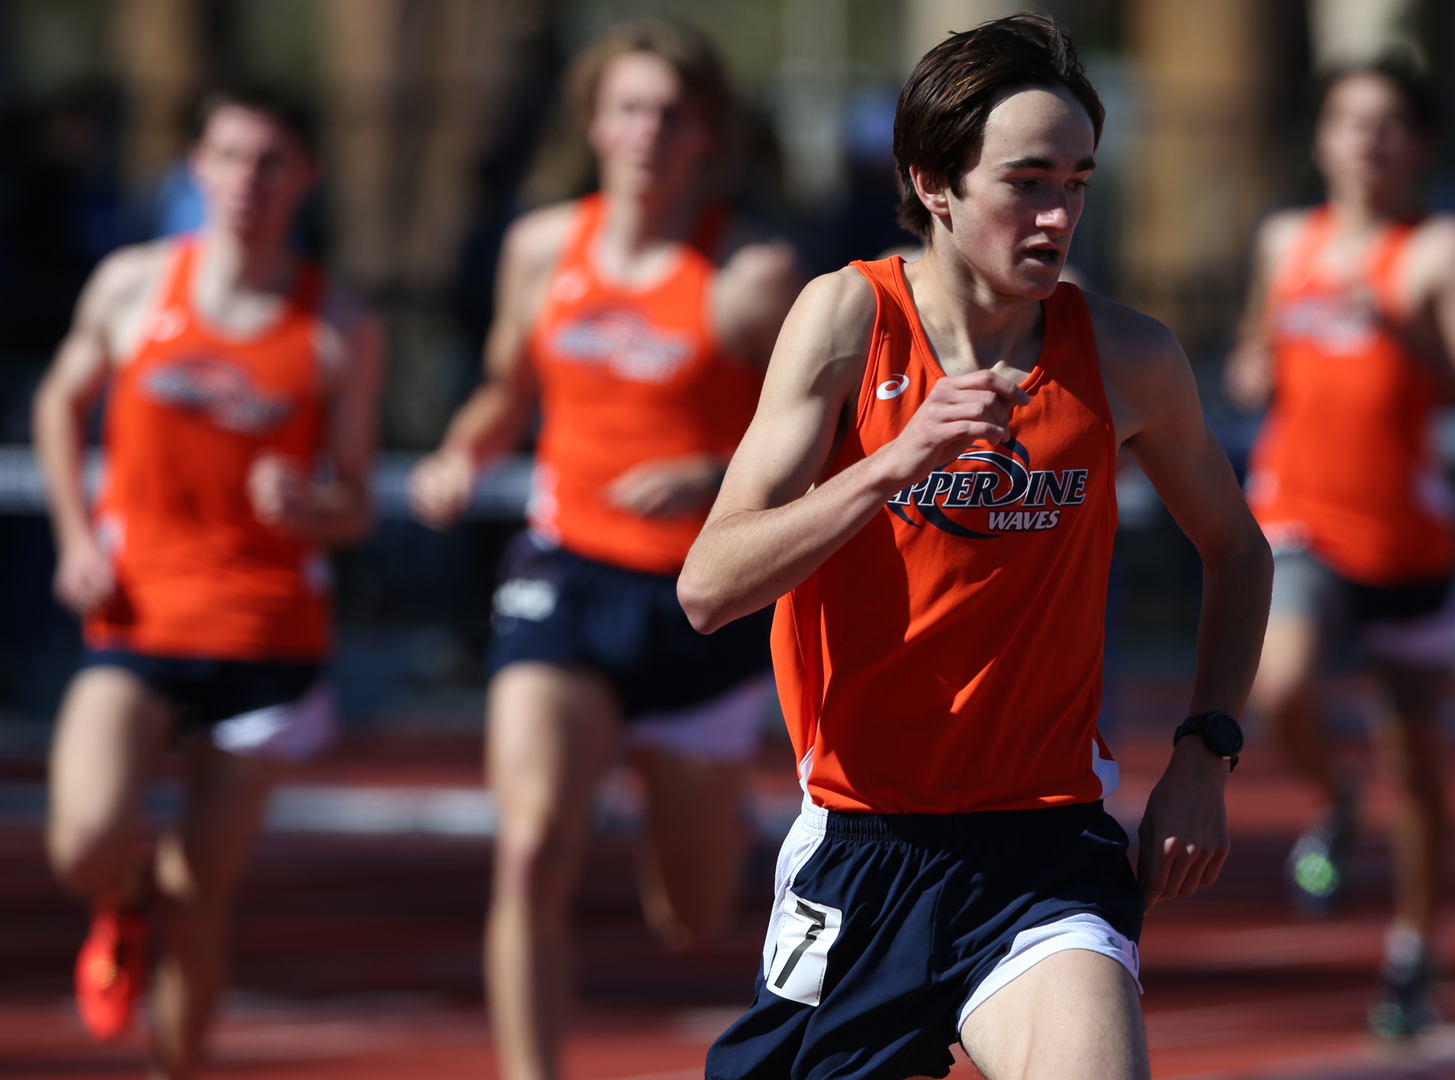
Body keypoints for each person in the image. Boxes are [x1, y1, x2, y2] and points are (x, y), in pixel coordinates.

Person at [679, 14, 1272, 1080]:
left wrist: (1205, 751)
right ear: (935, 183)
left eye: (1080, 183)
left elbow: (1237, 551)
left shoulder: (1129, 358)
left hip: (1047, 849)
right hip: (866, 849)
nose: (1058, 216)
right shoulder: (845, 322)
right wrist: (890, 465)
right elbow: (709, 587)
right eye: (1027, 182)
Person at [406, 21, 800, 1080]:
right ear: (592, 123)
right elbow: (505, 383)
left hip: (698, 602)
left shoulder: (749, 273)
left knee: (691, 915)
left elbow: (819, 439)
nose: (646, 134)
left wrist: (715, 474)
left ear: (706, 134)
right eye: (627, 109)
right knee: (530, 846)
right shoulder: (543, 247)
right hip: (563, 575)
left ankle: (698, 793)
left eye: (671, 114)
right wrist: (461, 450)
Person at [33, 86, 383, 1076]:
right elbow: (61, 405)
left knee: (203, 896)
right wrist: (73, 535)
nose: (247, 181)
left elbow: (355, 502)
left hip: (265, 633)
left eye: (271, 161)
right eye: (229, 157)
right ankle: (121, 898)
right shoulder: (131, 287)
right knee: (86, 839)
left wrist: (311, 504)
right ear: (196, 166)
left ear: (303, 178)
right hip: (136, 613)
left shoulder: (336, 326)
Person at [1225, 57, 1455, 1039]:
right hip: (1300, 516)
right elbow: (1252, 354)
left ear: (1419, 146)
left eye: (1389, 124)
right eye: (1351, 121)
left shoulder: (1437, 251)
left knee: (1419, 761)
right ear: (1322, 139)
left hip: (1408, 536)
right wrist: (1252, 368)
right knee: (1280, 687)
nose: (1369, 141)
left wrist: (1407, 336)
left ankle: (1414, 950)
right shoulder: (1284, 240)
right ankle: (1335, 794)